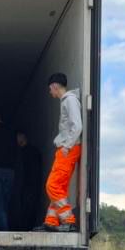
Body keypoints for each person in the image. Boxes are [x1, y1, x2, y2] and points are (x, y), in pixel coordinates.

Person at [35, 73, 82, 232]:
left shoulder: (69, 100)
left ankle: (68, 220)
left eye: (50, 89)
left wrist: (67, 146)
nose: (50, 92)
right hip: (67, 148)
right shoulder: (67, 100)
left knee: (52, 185)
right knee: (58, 187)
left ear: (55, 86)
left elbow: (77, 126)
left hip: (68, 149)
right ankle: (51, 221)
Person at [11, 132, 43, 231]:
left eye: (17, 138)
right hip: (34, 184)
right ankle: (29, 228)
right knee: (31, 207)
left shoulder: (24, 152)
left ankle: (25, 228)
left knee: (26, 207)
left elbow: (23, 170)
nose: (16, 141)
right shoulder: (34, 151)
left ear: (22, 137)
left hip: (28, 184)